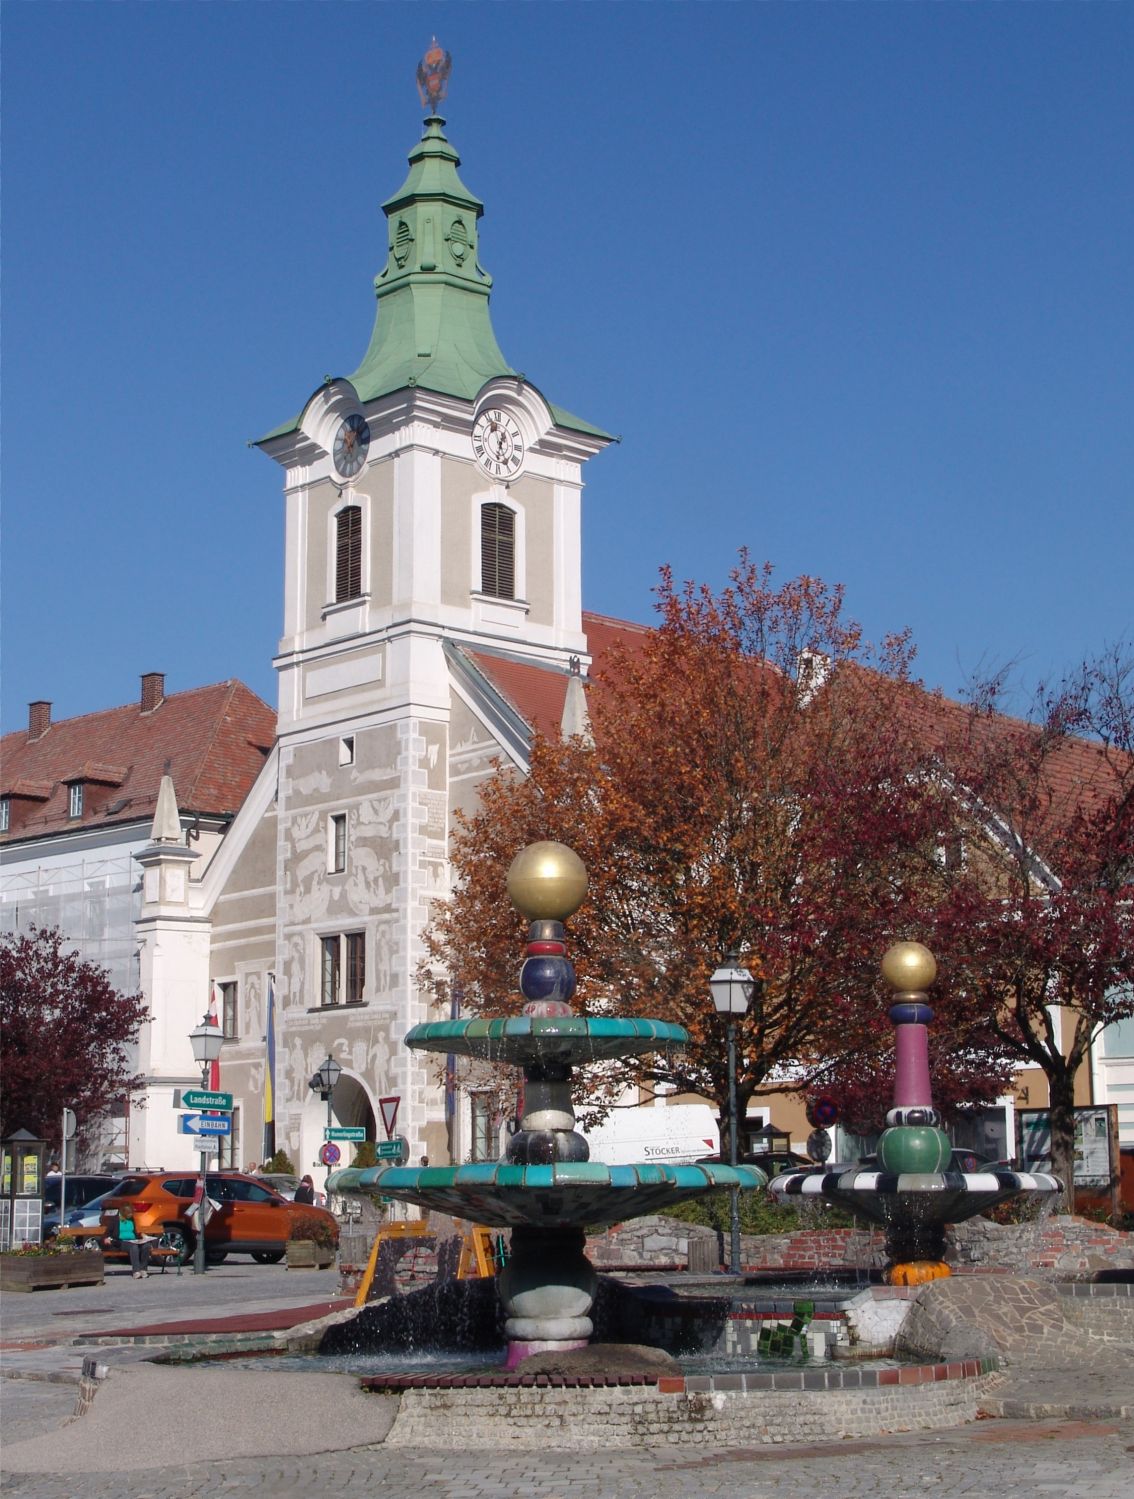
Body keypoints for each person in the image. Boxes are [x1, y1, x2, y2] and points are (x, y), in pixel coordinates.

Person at [106, 1205, 154, 1278]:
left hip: (134, 1240)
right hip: (122, 1242)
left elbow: (134, 1232)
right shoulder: (115, 1220)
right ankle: (136, 1271)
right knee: (133, 1246)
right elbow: (108, 1233)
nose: (131, 1215)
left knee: (146, 1246)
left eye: (131, 1213)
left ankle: (143, 1269)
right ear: (123, 1213)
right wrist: (107, 1239)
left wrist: (142, 1235)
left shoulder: (131, 1219)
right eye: (129, 1213)